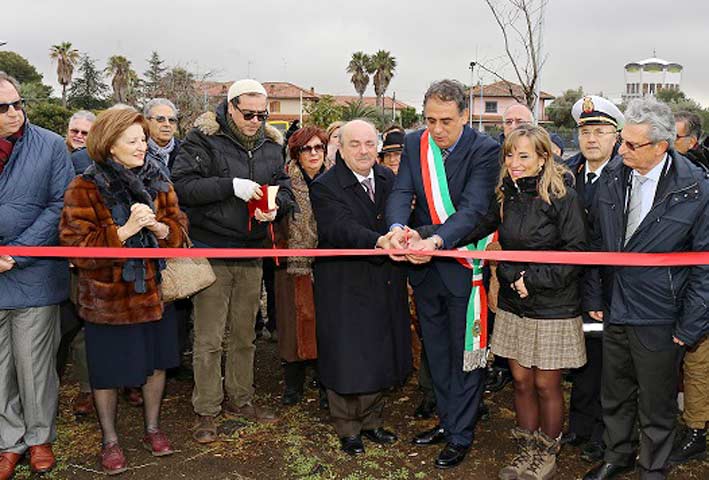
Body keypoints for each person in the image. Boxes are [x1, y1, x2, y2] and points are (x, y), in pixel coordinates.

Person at [450, 125, 588, 480]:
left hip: (553, 306)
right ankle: (527, 449)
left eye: (523, 156)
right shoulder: (505, 195)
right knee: (521, 380)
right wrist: (514, 278)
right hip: (515, 304)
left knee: (546, 384)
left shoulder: (564, 196)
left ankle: (547, 451)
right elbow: (499, 245)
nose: (514, 163)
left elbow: (575, 254)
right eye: (509, 155)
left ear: (544, 158)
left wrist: (534, 280)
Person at [582, 98, 709, 480]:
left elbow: (705, 268)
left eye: (631, 145)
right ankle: (617, 454)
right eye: (622, 141)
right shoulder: (613, 175)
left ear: (661, 147)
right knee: (615, 392)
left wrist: (688, 327)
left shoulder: (695, 191)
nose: (620, 150)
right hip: (614, 305)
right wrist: (593, 296)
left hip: (660, 314)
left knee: (657, 402)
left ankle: (652, 466)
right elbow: (596, 243)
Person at [59, 107, 188, 475]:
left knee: (157, 364)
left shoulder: (159, 179)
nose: (141, 146)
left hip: (153, 293)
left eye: (143, 139)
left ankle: (153, 428)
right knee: (107, 371)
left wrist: (164, 232)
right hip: (108, 299)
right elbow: (74, 248)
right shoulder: (85, 186)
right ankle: (110, 440)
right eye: (132, 140)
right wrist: (124, 231)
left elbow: (180, 229)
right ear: (109, 145)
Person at [386, 79, 500, 469]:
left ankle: (462, 434)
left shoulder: (485, 150)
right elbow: (402, 191)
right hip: (425, 269)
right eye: (430, 120)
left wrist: (435, 241)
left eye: (446, 121)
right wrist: (397, 228)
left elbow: (473, 210)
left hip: (461, 264)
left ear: (465, 116)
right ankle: (448, 421)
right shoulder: (417, 142)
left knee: (465, 355)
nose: (437, 129)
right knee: (436, 354)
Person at [172, 79, 294, 443]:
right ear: (230, 109)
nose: (256, 120)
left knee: (245, 333)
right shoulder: (202, 140)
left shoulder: (273, 145)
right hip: (213, 247)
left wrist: (276, 208)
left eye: (262, 114)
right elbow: (182, 187)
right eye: (249, 114)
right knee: (209, 336)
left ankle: (241, 399)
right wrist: (230, 186)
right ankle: (206, 409)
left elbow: (285, 188)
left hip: (252, 248)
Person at [310, 119, 411, 456]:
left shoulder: (387, 178)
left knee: (381, 349)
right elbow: (340, 228)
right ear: (340, 147)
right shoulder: (325, 186)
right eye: (355, 144)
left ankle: (372, 420)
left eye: (370, 143)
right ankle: (347, 427)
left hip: (384, 279)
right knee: (348, 354)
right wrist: (379, 240)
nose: (364, 151)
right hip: (345, 282)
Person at [0, 71, 74, 480]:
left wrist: (15, 253)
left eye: (18, 103)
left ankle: (39, 438)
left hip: (34, 275)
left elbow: (59, 205)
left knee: (34, 365)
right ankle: (8, 443)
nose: (14, 112)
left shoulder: (48, 144)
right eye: (4, 108)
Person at [563, 96, 625, 463]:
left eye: (600, 131)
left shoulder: (624, 177)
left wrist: (598, 296)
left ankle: (604, 433)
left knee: (607, 364)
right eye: (585, 130)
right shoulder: (568, 173)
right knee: (580, 359)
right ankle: (580, 424)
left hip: (608, 289)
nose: (591, 139)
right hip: (570, 287)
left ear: (615, 137)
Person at [274, 126, 331, 406]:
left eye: (318, 147)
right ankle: (293, 384)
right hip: (291, 264)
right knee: (291, 324)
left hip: (328, 265)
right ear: (296, 153)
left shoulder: (334, 180)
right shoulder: (285, 181)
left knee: (325, 324)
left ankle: (325, 383)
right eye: (306, 148)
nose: (313, 154)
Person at [144, 98, 181, 172]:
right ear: (146, 121)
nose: (167, 124)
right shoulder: (137, 151)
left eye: (171, 120)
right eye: (160, 119)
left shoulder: (186, 152)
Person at [66, 110, 96, 174]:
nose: (79, 136)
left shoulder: (98, 159)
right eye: (74, 131)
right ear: (68, 130)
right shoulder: (56, 152)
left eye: (84, 133)